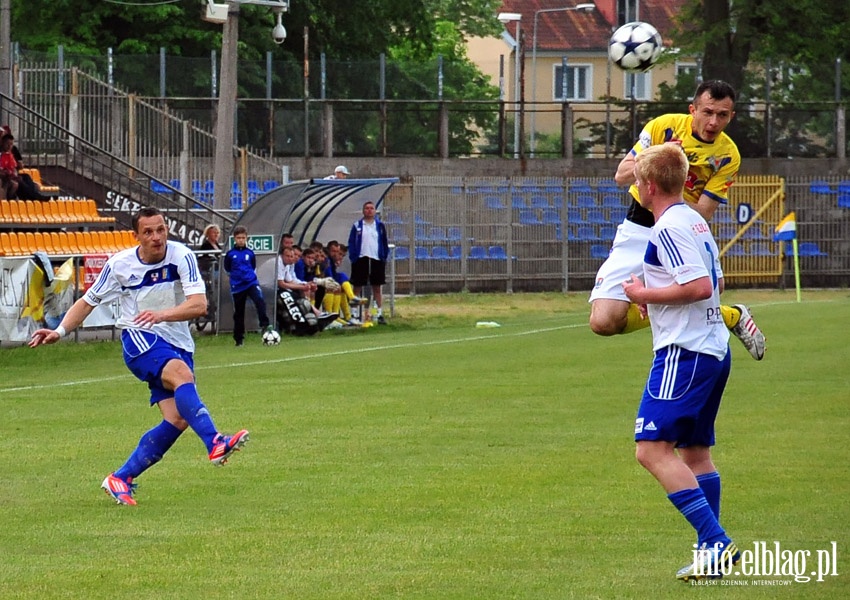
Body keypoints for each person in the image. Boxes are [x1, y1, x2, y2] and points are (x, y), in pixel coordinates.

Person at [28, 207, 249, 506]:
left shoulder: (182, 256)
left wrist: (162, 315)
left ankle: (121, 477)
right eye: (148, 232)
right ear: (137, 236)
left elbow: (199, 305)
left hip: (176, 342)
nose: (156, 237)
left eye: (160, 230)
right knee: (183, 376)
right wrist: (61, 331)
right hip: (139, 338)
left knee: (177, 419)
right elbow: (87, 301)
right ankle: (215, 442)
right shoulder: (120, 264)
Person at [621, 144, 739, 581]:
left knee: (651, 450)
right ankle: (710, 554)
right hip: (710, 349)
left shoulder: (668, 228)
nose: (635, 186)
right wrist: (660, 299)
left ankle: (716, 542)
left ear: (648, 186)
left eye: (637, 180)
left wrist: (642, 295)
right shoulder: (694, 220)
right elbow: (717, 279)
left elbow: (699, 286)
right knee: (695, 452)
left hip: (683, 354)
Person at [589, 80, 766, 361]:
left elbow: (704, 212)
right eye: (707, 112)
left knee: (705, 289)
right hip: (639, 226)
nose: (713, 122)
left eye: (722, 115)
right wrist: (660, 158)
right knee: (604, 322)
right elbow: (621, 175)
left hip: (681, 229)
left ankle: (721, 317)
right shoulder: (665, 127)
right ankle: (730, 314)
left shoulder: (727, 155)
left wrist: (669, 181)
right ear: (692, 109)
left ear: (731, 116)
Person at [223, 225, 272, 347]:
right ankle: (239, 339)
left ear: (246, 239)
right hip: (237, 286)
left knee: (259, 300)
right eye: (238, 238)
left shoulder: (250, 253)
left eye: (243, 238)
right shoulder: (230, 254)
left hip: (251, 283)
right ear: (234, 239)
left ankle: (264, 324)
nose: (241, 240)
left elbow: (253, 266)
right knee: (239, 313)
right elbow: (227, 268)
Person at [348, 201, 389, 324]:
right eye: (367, 208)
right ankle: (354, 314)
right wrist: (353, 257)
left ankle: (378, 314)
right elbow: (351, 242)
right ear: (363, 210)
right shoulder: (357, 225)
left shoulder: (380, 226)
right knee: (357, 287)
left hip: (376, 259)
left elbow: (384, 242)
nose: (369, 210)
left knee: (377, 286)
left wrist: (383, 257)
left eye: (371, 208)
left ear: (375, 210)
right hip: (361, 258)